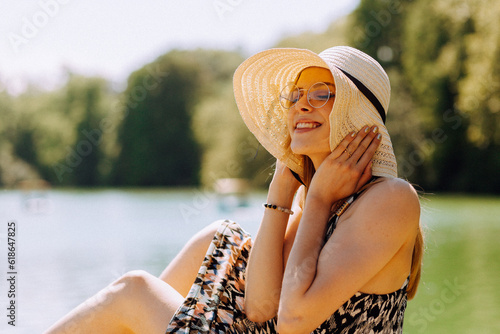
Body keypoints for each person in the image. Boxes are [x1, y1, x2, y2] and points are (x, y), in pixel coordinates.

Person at [45, 46, 423, 334]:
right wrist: (282, 190)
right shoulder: (314, 200)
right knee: (220, 237)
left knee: (132, 290)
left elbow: (293, 320)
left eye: (321, 94)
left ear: (357, 118)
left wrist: (320, 198)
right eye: (295, 95)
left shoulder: (390, 198)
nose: (300, 106)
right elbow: (260, 308)